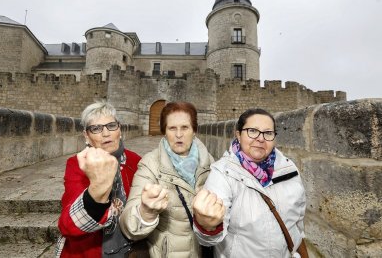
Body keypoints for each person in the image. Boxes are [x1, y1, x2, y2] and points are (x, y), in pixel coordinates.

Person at [192, 108, 308, 258]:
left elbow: (297, 225)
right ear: (238, 135)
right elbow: (209, 240)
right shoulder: (222, 173)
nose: (261, 138)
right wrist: (207, 225)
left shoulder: (289, 169)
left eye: (268, 133)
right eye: (252, 131)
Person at [119, 101, 215, 257]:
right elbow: (128, 226)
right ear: (164, 132)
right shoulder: (150, 164)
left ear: (194, 130)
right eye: (172, 128)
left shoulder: (210, 163)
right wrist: (146, 212)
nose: (178, 134)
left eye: (185, 127)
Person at [56, 99, 142, 257]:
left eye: (111, 126)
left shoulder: (135, 160)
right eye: (96, 128)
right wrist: (98, 188)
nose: (106, 133)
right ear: (86, 136)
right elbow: (68, 226)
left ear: (119, 129)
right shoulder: (77, 164)